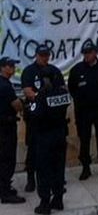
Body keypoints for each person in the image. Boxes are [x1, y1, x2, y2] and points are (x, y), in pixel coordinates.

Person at [68, 41, 98, 180]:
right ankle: (85, 168)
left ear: (95, 53)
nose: (86, 55)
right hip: (83, 112)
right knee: (84, 139)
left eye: (89, 53)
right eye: (85, 53)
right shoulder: (77, 70)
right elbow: (72, 88)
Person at [21, 45, 63, 193]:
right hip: (35, 118)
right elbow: (28, 92)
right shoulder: (29, 71)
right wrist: (43, 98)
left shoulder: (55, 71)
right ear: (37, 55)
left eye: (46, 55)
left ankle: (54, 180)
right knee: (33, 149)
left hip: (53, 120)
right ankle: (31, 179)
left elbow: (62, 92)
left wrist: (44, 98)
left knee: (53, 151)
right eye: (42, 55)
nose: (44, 58)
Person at [29, 66, 70, 214]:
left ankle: (45, 202)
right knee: (59, 169)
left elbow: (34, 114)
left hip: (45, 137)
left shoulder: (42, 96)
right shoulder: (63, 94)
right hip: (60, 135)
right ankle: (58, 199)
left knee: (44, 171)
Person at [0, 57, 25, 205]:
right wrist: (23, 103)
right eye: (9, 66)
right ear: (2, 68)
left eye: (13, 65)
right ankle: (5, 193)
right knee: (7, 160)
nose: (12, 68)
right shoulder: (5, 86)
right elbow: (17, 105)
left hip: (3, 125)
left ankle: (4, 188)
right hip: (5, 127)